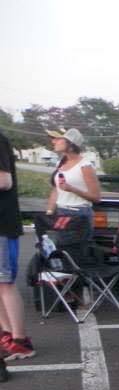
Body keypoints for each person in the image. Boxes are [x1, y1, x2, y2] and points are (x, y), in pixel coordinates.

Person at [0, 129, 35, 360]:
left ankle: (21, 340)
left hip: (2, 224)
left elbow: (4, 181)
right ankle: (7, 334)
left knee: (5, 283)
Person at [45, 128, 102, 242]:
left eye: (59, 139)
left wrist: (72, 189)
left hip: (79, 214)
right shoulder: (60, 163)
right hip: (61, 211)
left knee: (75, 252)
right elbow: (56, 190)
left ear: (70, 145)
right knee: (59, 250)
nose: (54, 142)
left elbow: (96, 197)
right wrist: (49, 212)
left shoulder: (85, 166)